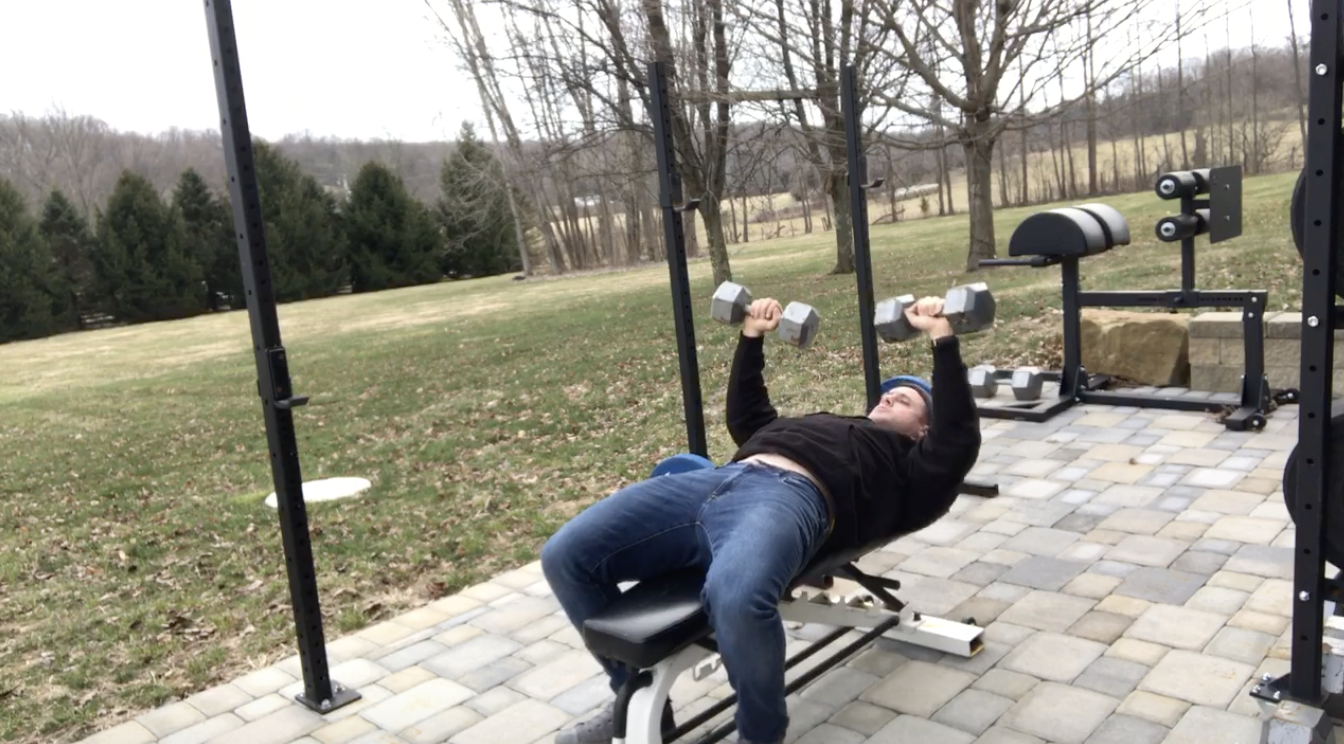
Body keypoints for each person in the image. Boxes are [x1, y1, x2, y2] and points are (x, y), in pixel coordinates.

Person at [542, 295, 982, 744]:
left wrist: (941, 337)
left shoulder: (908, 468)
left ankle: (760, 735)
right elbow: (747, 417)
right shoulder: (831, 423)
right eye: (888, 393)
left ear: (922, 431)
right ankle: (633, 697)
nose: (888, 395)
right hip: (714, 481)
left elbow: (957, 439)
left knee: (735, 595)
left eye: (904, 400)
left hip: (792, 498)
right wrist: (752, 335)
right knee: (565, 555)